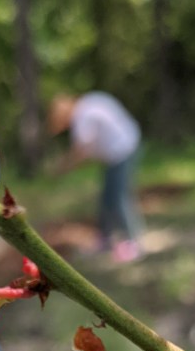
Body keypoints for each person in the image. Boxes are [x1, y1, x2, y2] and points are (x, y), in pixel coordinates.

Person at [48, 92, 145, 262]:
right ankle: (105, 239)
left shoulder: (83, 116)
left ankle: (133, 241)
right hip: (117, 152)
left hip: (122, 152)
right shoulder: (89, 103)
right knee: (107, 198)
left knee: (118, 198)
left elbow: (81, 151)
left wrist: (63, 168)